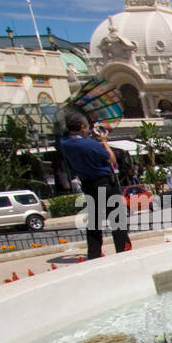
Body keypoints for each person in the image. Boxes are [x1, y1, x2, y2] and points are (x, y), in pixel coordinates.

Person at [59, 111, 128, 259]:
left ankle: (94, 253)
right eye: (86, 126)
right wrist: (104, 142)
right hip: (103, 181)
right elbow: (111, 159)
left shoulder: (64, 142)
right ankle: (123, 249)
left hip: (87, 184)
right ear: (82, 127)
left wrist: (90, 135)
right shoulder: (90, 144)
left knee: (94, 220)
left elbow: (72, 135)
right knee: (116, 217)